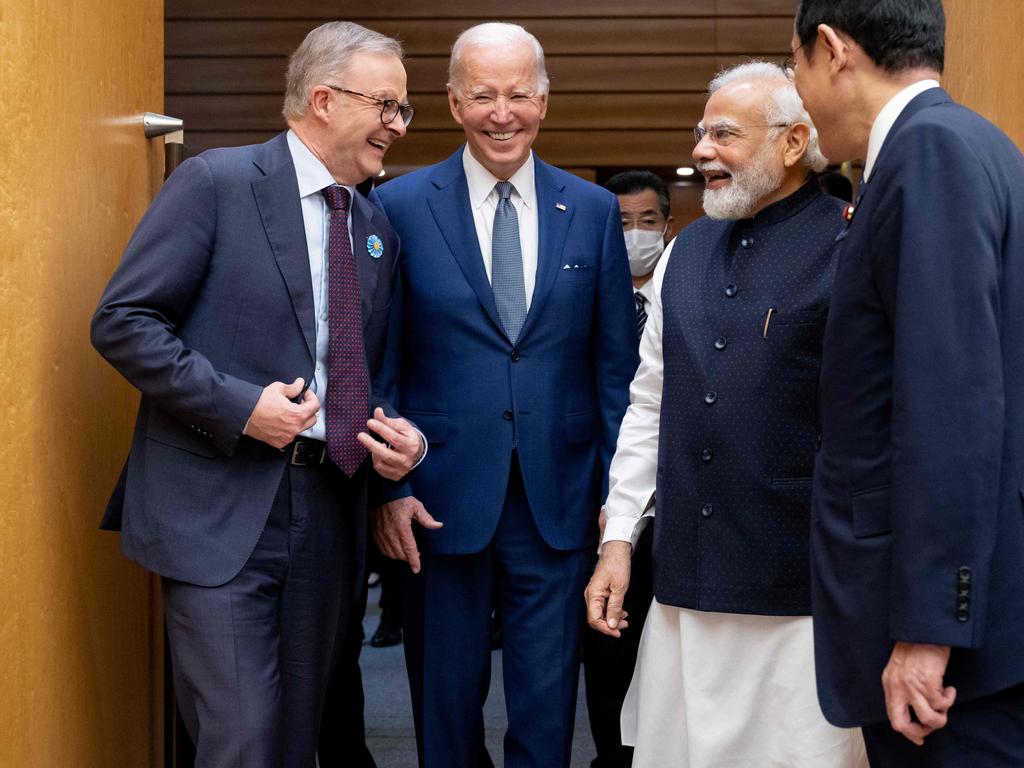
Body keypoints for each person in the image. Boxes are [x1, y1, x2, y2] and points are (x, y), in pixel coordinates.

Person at [91, 21, 423, 768]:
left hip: (330, 515)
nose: (398, 127)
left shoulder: (375, 227)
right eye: (389, 106)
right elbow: (122, 322)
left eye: (404, 111)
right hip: (219, 510)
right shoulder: (218, 181)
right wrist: (242, 407)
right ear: (324, 98)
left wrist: (403, 444)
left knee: (297, 741)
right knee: (241, 741)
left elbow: (363, 373)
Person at [368, 22, 638, 768]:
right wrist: (391, 490)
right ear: (453, 103)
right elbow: (379, 367)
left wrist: (619, 497)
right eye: (482, 95)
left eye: (518, 94)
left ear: (544, 101)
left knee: (548, 707)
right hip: (437, 499)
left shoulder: (587, 210)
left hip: (562, 498)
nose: (501, 112)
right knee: (443, 707)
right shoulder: (400, 206)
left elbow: (615, 371)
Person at [585, 62, 867, 767]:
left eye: (723, 134)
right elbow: (649, 401)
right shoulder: (687, 249)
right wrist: (620, 537)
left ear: (795, 141)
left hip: (798, 593)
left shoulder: (851, 243)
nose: (702, 151)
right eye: (699, 133)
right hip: (686, 586)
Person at [789, 2, 1024, 765]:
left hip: (954, 654)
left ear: (831, 50)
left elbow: (950, 403)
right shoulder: (974, 144)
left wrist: (928, 630)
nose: (799, 90)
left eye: (793, 66)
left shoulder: (928, 155)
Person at [582, 169, 671, 768]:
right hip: (595, 504)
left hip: (673, 504)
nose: (636, 235)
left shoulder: (685, 283)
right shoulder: (587, 293)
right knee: (606, 646)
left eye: (648, 222)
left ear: (668, 225)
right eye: (622, 223)